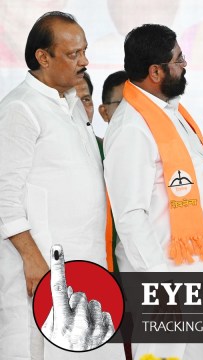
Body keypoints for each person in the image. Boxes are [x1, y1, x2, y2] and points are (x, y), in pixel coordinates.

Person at [103, 24, 203, 359]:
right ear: (155, 71)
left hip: (192, 277)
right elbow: (130, 216)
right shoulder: (132, 127)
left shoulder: (170, 113)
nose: (185, 64)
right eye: (178, 60)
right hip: (165, 283)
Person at [0, 11, 124, 360]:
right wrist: (32, 259)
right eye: (73, 54)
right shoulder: (20, 109)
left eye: (84, 51)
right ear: (43, 57)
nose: (84, 62)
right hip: (43, 270)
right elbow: (4, 196)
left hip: (88, 268)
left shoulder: (71, 105)